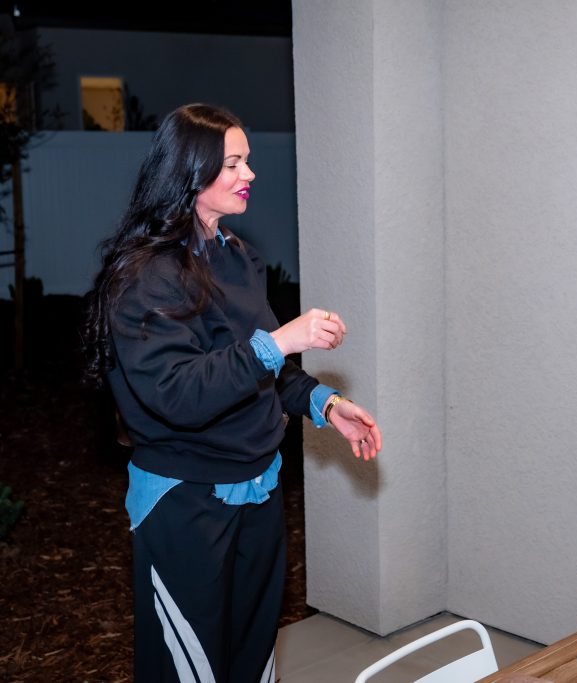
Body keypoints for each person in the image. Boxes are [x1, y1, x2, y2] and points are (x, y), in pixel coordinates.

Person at [82, 103, 382, 682]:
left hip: (258, 494)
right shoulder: (145, 275)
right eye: (234, 163)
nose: (249, 175)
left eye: (248, 162)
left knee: (251, 659)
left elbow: (261, 373)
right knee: (188, 669)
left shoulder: (238, 258)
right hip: (186, 503)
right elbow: (177, 393)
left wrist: (324, 404)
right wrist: (280, 340)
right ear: (191, 171)